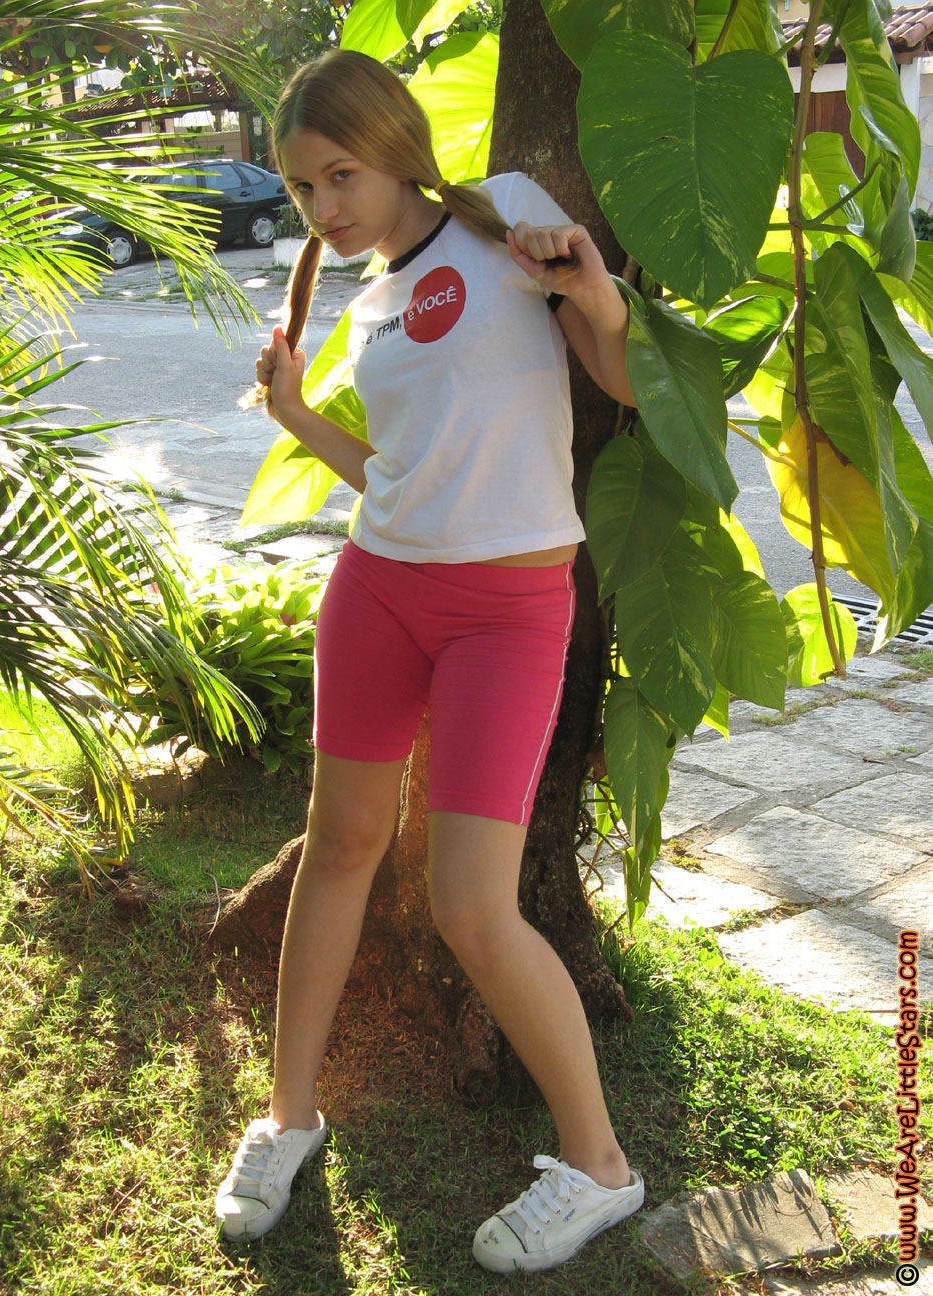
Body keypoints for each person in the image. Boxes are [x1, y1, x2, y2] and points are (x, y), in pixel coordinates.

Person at [215, 48, 641, 1274]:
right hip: (378, 586)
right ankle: (288, 1118)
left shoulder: (507, 218)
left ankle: (602, 1170)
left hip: (509, 606)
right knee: (342, 842)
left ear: (397, 149)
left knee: (467, 902)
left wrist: (594, 291)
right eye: (303, 189)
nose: (324, 207)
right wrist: (299, 416)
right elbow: (398, 476)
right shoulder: (374, 307)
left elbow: (621, 381)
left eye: (340, 174)